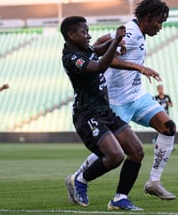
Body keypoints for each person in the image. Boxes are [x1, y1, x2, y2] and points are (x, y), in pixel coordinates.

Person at [70, 0, 177, 201]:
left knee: (168, 127)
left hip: (136, 95)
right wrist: (138, 66)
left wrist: (111, 41)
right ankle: (77, 177)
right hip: (117, 100)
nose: (161, 27)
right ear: (147, 17)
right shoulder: (131, 33)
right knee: (110, 150)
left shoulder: (137, 31)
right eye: (159, 22)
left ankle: (153, 182)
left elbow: (101, 41)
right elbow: (106, 57)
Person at [61, 16, 145, 211]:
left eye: (88, 31)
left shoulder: (82, 48)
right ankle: (79, 180)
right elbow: (99, 66)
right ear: (71, 35)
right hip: (87, 115)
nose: (89, 35)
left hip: (104, 111)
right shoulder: (72, 58)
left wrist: (114, 42)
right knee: (115, 156)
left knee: (136, 151)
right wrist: (115, 41)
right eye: (84, 32)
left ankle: (119, 199)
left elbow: (96, 50)